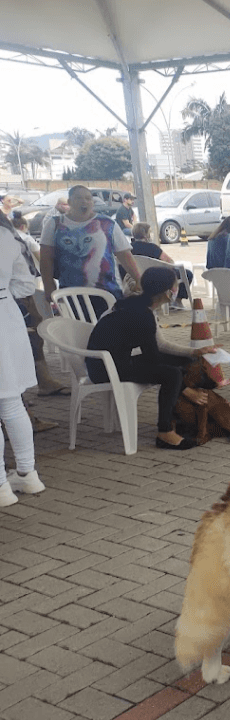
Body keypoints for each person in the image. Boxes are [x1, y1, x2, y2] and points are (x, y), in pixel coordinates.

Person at [86, 267, 214, 451]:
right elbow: (153, 358)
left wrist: (195, 352)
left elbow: (160, 345)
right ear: (167, 292)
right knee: (172, 375)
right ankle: (165, 431)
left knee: (184, 363)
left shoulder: (137, 305)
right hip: (105, 368)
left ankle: (182, 420)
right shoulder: (141, 315)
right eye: (175, 286)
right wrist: (186, 389)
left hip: (116, 361)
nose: (177, 289)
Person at [0, 210, 46, 508]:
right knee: (11, 400)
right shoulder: (7, 237)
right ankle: (28, 475)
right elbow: (27, 285)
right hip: (7, 317)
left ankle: (2, 488)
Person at [40, 185, 141, 311]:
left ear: (92, 203)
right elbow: (45, 258)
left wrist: (139, 279)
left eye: (88, 198)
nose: (84, 202)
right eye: (78, 198)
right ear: (70, 202)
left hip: (108, 291)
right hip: (70, 294)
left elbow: (124, 255)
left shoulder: (108, 224)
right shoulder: (54, 224)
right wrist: (48, 285)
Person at [9, 214, 65, 396]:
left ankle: (43, 381)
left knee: (34, 337)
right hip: (14, 296)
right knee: (23, 341)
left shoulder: (11, 234)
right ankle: (20, 397)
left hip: (23, 293)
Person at [130, 222, 192, 308]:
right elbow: (170, 262)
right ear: (146, 234)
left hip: (134, 278)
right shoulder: (153, 248)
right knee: (187, 273)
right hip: (156, 278)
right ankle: (177, 301)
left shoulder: (129, 248)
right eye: (150, 232)